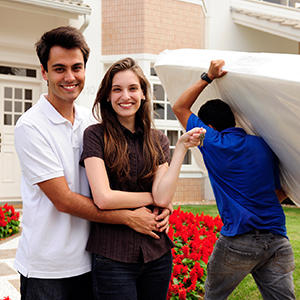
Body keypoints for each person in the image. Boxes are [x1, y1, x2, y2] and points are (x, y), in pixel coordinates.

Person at [14, 26, 171, 300]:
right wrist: (130, 216)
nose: (70, 77)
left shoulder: (92, 122)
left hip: (91, 258)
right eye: (59, 69)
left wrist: (161, 206)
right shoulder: (31, 126)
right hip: (48, 266)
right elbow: (63, 200)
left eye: (77, 67)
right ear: (44, 72)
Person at [79, 57, 205, 300]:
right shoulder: (95, 135)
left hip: (157, 254)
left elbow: (164, 194)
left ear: (144, 94)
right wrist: (154, 199)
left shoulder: (158, 140)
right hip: (112, 256)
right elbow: (103, 198)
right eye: (117, 89)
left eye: (132, 88)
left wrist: (180, 149)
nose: (125, 96)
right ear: (107, 95)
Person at [172, 59, 296, 300]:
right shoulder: (263, 145)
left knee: (213, 297)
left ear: (208, 127)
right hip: (278, 241)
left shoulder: (213, 142)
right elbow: (278, 192)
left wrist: (208, 76)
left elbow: (179, 107)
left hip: (238, 241)